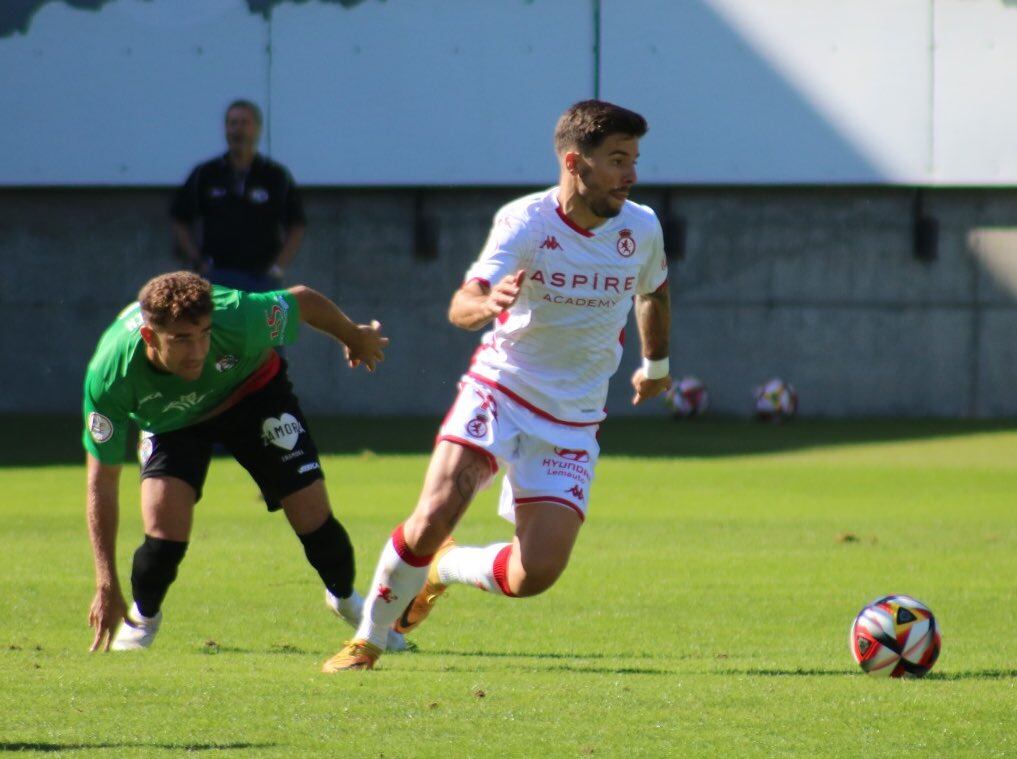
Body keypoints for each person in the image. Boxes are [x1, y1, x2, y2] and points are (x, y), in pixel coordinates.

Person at [322, 100, 672, 672]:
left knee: (535, 576)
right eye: (617, 161)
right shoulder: (526, 222)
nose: (631, 175)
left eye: (634, 160)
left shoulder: (642, 226)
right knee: (436, 512)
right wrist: (486, 304)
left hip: (573, 421)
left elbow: (653, 290)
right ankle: (370, 638)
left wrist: (655, 365)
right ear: (574, 162)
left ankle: (445, 569)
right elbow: (462, 303)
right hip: (501, 393)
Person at [84, 271, 406, 652]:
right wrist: (106, 582)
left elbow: (302, 301)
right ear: (150, 337)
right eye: (182, 340)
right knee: (163, 534)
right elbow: (101, 481)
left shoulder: (238, 315)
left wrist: (354, 336)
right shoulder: (109, 376)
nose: (198, 351)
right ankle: (143, 619)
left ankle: (347, 601)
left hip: (252, 394)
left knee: (312, 515)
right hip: (171, 421)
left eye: (204, 334)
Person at [170, 100, 305, 292]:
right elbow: (179, 218)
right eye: (232, 123)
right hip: (216, 276)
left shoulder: (275, 175)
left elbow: (297, 224)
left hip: (261, 279)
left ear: (257, 129)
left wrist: (277, 268)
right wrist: (199, 263)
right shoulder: (206, 173)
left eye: (244, 123)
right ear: (225, 129)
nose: (237, 130)